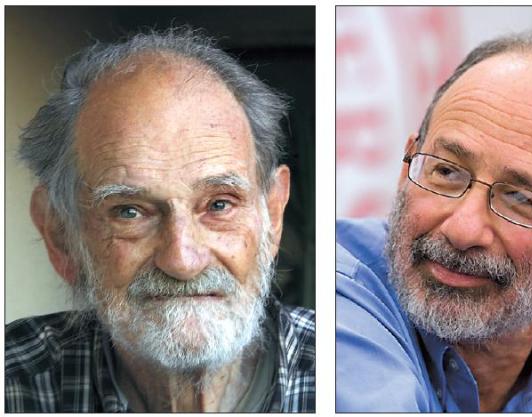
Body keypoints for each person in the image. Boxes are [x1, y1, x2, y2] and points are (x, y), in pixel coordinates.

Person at [6, 28, 315, 412]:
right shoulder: (15, 384)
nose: (183, 261)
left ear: (272, 215)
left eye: (219, 205)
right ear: (61, 235)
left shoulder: (340, 372)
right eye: (129, 211)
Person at [336, 32, 532, 412]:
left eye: (520, 200)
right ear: (406, 171)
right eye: (446, 171)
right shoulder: (339, 300)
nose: (462, 230)